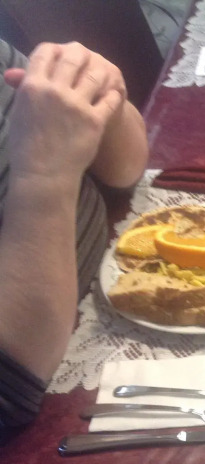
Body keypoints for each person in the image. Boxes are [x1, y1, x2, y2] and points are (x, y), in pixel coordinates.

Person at [0, 39, 148, 427]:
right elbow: (10, 392)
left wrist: (107, 105)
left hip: (114, 286)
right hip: (51, 404)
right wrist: (45, 173)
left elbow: (124, 174)